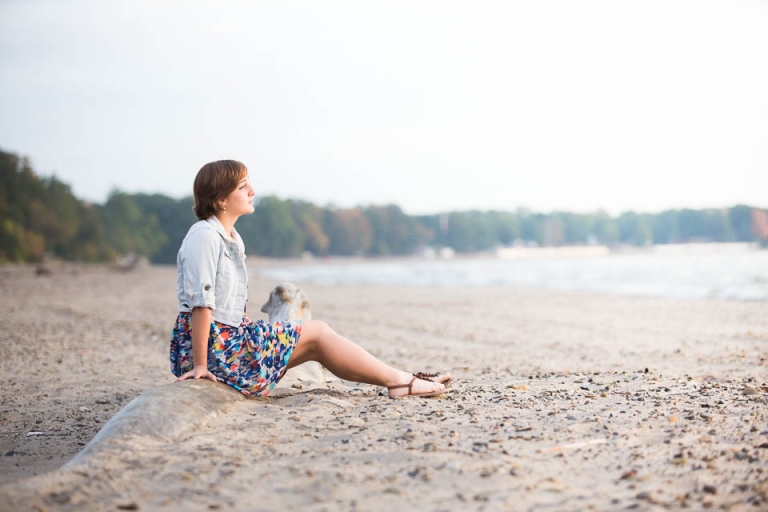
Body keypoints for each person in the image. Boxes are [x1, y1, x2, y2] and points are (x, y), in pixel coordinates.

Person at [170, 160, 453, 398]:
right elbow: (201, 304)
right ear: (221, 199)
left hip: (231, 343)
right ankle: (402, 382)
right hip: (217, 353)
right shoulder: (205, 236)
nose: (252, 191)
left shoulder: (231, 238)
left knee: (317, 338)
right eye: (243, 187)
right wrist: (199, 365)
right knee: (316, 331)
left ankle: (399, 380)